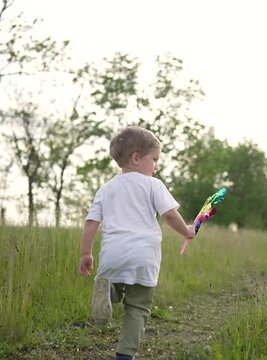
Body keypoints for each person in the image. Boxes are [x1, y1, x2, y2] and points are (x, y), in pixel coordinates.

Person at [78, 126, 196, 360]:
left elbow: (91, 222)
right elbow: (170, 215)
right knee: (138, 307)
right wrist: (187, 231)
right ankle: (124, 355)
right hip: (144, 256)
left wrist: (86, 253)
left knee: (117, 279)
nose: (157, 166)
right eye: (154, 159)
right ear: (136, 158)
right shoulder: (153, 185)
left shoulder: (106, 188)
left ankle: (111, 291)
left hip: (112, 255)